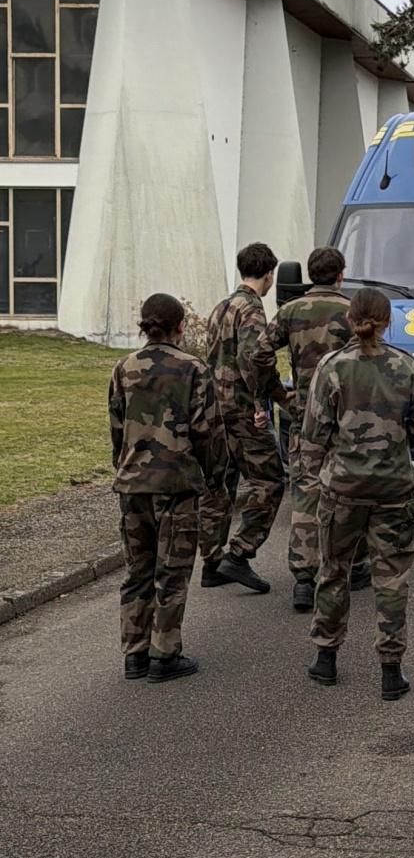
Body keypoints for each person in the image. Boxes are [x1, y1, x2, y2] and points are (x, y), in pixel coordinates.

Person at [302, 286, 414, 699]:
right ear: (388, 320)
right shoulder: (407, 367)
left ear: (350, 318)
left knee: (333, 570)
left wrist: (315, 474)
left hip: (343, 487)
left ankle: (326, 658)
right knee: (391, 578)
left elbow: (314, 434)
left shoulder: (332, 367)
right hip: (394, 488)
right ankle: (391, 670)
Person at [108, 293, 226, 682]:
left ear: (145, 325)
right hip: (176, 484)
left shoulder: (123, 368)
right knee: (171, 573)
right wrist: (214, 477)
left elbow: (117, 425)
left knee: (137, 570)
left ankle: (134, 653)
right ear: (181, 327)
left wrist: (123, 465)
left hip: (133, 484)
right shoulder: (193, 369)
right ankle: (165, 653)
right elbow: (207, 430)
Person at [268, 246, 368, 613]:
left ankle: (304, 577)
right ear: (341, 274)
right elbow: (369, 360)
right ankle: (352, 564)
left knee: (307, 492)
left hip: (305, 416)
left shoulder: (290, 311)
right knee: (350, 488)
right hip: (345, 416)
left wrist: (280, 395)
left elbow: (258, 355)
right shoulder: (351, 312)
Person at [199, 241, 289, 594]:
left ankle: (210, 562)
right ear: (269, 275)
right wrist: (267, 400)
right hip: (240, 409)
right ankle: (239, 553)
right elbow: (255, 360)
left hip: (214, 408)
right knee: (270, 480)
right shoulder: (252, 310)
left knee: (219, 486)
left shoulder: (220, 308)